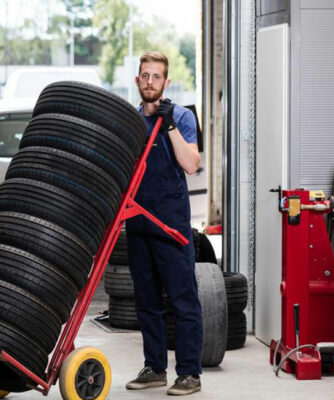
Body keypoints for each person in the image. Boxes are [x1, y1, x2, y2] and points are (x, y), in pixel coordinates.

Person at [124, 51, 203, 396]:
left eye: (157, 76)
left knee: (183, 300)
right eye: (145, 75)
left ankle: (189, 374)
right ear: (137, 79)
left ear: (166, 83)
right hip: (138, 223)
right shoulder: (128, 121)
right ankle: (155, 368)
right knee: (146, 301)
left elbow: (191, 164)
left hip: (171, 225)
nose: (150, 82)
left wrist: (169, 125)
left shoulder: (182, 117)